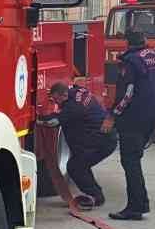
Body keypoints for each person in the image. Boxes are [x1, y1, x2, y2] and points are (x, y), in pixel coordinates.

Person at [104, 30, 155, 221]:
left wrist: (113, 115)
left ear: (127, 44)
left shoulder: (130, 62)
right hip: (150, 118)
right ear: (145, 41)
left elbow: (128, 93)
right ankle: (139, 203)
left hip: (133, 120)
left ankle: (136, 206)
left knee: (130, 162)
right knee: (135, 159)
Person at [40, 81, 117, 209]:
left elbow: (53, 121)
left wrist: (39, 119)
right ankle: (96, 194)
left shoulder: (73, 108)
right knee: (81, 162)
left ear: (64, 95)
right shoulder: (79, 91)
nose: (56, 103)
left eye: (56, 99)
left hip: (103, 141)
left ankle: (96, 196)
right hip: (104, 138)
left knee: (75, 166)